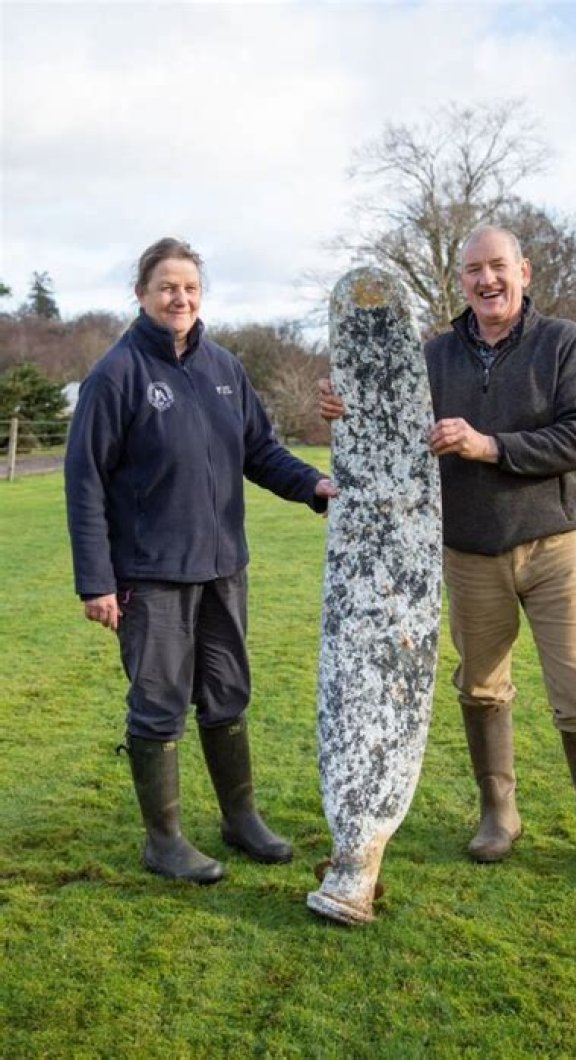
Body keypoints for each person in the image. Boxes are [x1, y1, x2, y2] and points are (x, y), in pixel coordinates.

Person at [320, 225, 576, 890]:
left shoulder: (563, 343)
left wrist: (490, 446)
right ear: (461, 280)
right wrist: (347, 410)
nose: (486, 280)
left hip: (553, 545)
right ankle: (499, 813)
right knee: (480, 685)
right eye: (473, 270)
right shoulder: (434, 355)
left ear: (523, 271)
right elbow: (395, 429)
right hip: (468, 552)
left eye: (498, 267)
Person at [66, 237, 337, 884]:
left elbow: (261, 450)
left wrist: (315, 486)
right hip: (149, 576)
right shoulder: (117, 374)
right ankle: (163, 842)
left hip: (223, 570)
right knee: (158, 704)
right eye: (166, 287)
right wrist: (96, 582)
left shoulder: (224, 368)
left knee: (226, 695)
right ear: (141, 295)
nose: (179, 297)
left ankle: (239, 820)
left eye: (189, 286)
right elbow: (84, 483)